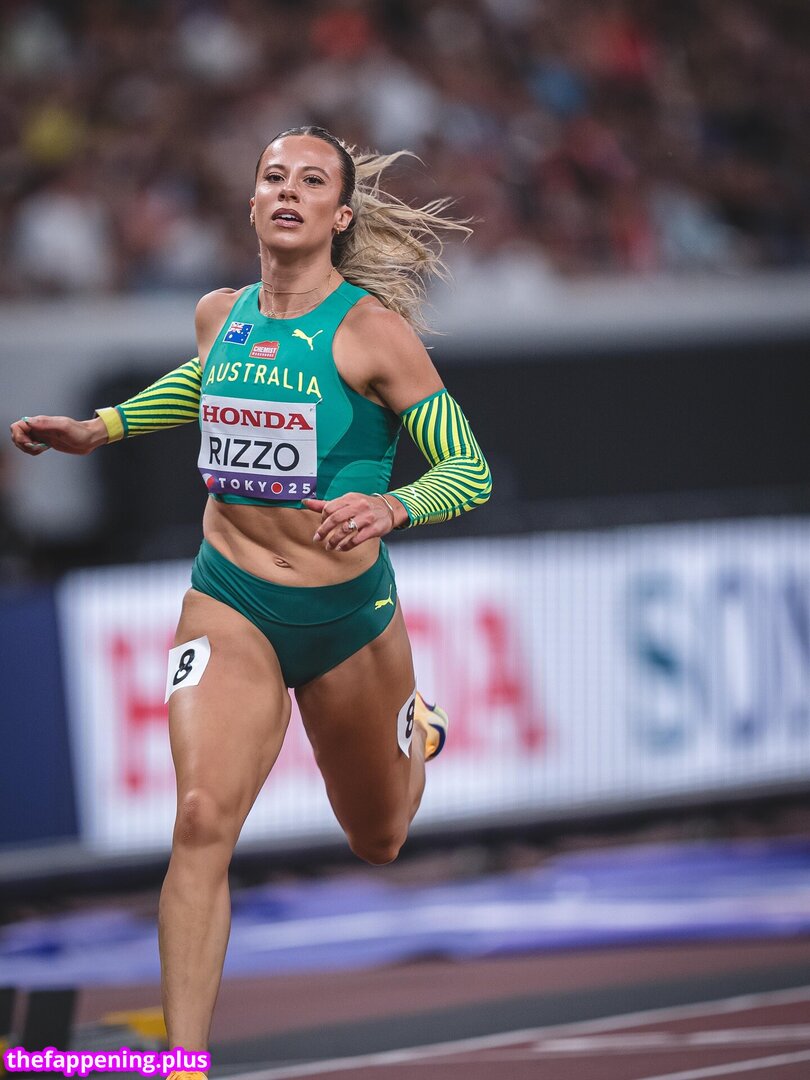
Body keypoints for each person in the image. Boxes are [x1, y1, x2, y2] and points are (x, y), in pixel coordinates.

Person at [10, 126, 492, 1065]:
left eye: (311, 181)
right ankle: (185, 1062)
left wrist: (392, 504)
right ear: (252, 201)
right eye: (274, 176)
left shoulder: (372, 334)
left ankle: (416, 725)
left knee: (381, 837)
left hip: (345, 619)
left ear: (339, 216)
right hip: (229, 599)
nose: (288, 190)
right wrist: (100, 428)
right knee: (199, 819)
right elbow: (208, 382)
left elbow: (466, 469)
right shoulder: (219, 314)